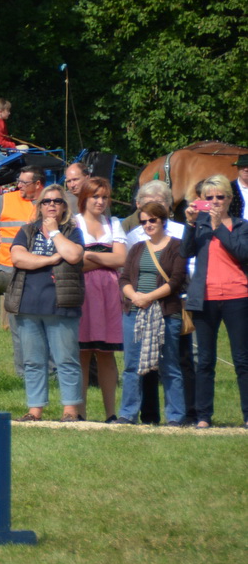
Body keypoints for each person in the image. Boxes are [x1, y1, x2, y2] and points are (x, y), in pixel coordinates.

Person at [8, 185, 86, 421]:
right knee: (32, 361)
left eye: (57, 201)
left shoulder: (72, 231)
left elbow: (73, 255)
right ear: (39, 206)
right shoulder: (27, 231)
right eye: (46, 201)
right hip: (28, 304)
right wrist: (51, 258)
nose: (51, 205)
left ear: (64, 207)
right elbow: (18, 258)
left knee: (66, 359)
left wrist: (54, 233)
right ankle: (35, 410)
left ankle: (70, 411)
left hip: (61, 304)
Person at [121, 180, 191, 425]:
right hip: (134, 311)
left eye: (153, 220)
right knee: (131, 366)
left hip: (165, 311)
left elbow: (176, 281)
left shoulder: (177, 246)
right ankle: (127, 414)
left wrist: (148, 297)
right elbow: (125, 278)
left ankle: (175, 416)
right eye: (144, 221)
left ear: (163, 221)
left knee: (170, 366)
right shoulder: (137, 247)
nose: (148, 225)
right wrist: (135, 296)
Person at [183, 175, 248, 429]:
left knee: (242, 360)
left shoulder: (242, 225)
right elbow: (185, 252)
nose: (215, 201)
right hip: (205, 298)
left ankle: (246, 415)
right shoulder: (198, 225)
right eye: (209, 198)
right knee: (206, 360)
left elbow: (242, 252)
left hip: (238, 297)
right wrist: (189, 225)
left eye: (220, 197)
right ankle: (203, 416)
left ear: (230, 199)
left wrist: (219, 225)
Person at [0, 164, 45, 379]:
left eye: (24, 182)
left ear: (38, 185)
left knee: (46, 321)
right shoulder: (7, 200)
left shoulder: (50, 203)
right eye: (18, 181)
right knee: (18, 325)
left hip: (42, 270)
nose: (18, 186)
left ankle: (52, 372)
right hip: (10, 269)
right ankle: (24, 373)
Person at [74, 177, 127, 421]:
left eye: (104, 197)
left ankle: (111, 413)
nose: (100, 201)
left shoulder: (114, 223)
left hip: (109, 293)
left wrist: (91, 256)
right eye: (96, 196)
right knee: (82, 353)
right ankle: (80, 413)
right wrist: (103, 256)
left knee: (107, 353)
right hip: (83, 292)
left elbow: (121, 260)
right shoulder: (74, 224)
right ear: (84, 198)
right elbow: (74, 262)